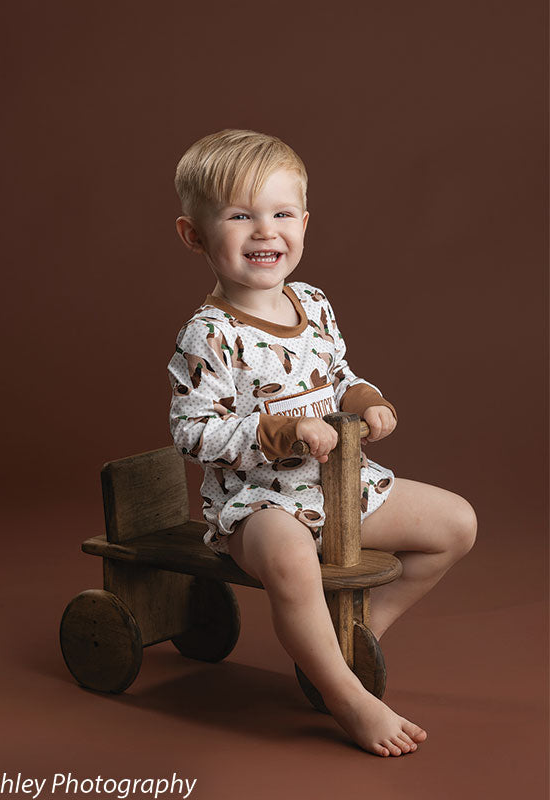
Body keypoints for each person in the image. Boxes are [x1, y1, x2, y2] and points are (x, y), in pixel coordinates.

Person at [166, 129, 477, 757]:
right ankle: (344, 693)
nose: (264, 231)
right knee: (288, 555)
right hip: (258, 503)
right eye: (239, 216)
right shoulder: (210, 335)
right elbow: (191, 432)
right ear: (194, 234)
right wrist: (279, 432)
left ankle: (348, 639)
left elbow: (339, 380)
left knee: (456, 524)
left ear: (304, 223)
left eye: (281, 214)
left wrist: (366, 401)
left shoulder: (314, 304)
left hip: (337, 485)